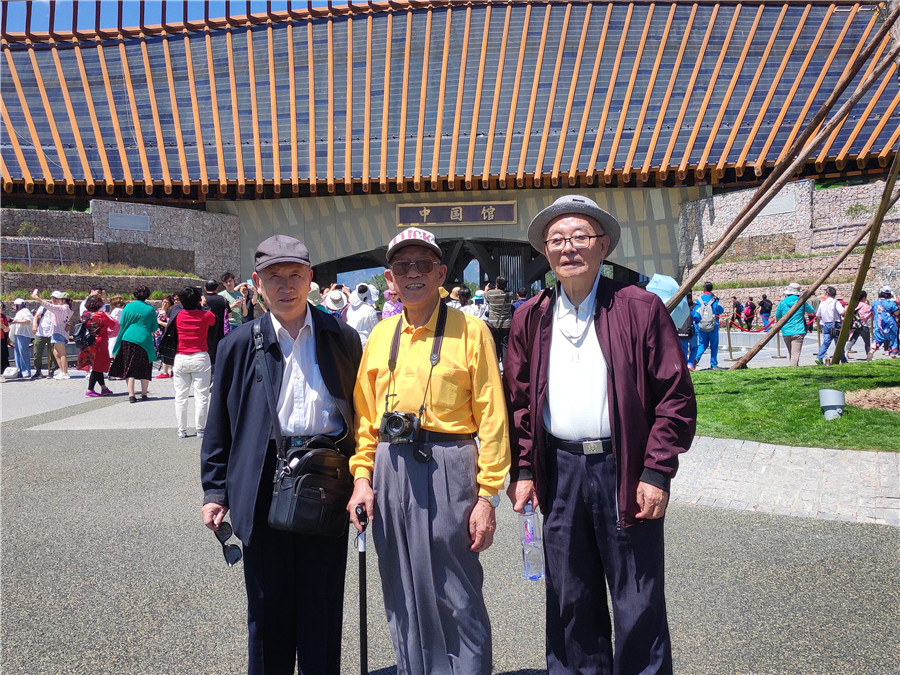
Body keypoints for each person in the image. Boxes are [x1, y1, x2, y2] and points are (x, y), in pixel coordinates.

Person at [503, 195, 696, 675]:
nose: (568, 248)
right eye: (556, 240)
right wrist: (523, 469)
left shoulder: (639, 308)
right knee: (571, 596)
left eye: (580, 237)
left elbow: (674, 397)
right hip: (560, 468)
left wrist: (657, 471)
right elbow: (519, 402)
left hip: (623, 465)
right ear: (545, 251)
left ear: (603, 245)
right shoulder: (531, 316)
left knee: (638, 597)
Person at [347, 226, 510, 675]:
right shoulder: (381, 335)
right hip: (390, 465)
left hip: (449, 462)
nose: (413, 273)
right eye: (403, 266)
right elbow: (366, 417)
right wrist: (362, 478)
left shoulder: (471, 331)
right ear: (389, 278)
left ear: (441, 273)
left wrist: (487, 495)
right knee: (400, 587)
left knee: (456, 589)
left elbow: (493, 416)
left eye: (423, 264)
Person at [201, 235, 362, 675]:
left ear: (310, 279)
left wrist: (363, 480)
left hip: (326, 478)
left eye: (295, 275)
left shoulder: (341, 337)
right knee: (267, 607)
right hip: (260, 480)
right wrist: (215, 491)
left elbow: (361, 412)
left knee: (321, 605)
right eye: (274, 277)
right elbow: (219, 423)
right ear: (257, 283)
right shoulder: (238, 343)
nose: (286, 285)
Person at [158, 286, 216, 438]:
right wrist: (204, 305)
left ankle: (181, 429)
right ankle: (200, 429)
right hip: (200, 356)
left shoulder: (177, 314)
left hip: (181, 357)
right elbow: (213, 320)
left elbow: (169, 313)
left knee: (181, 396)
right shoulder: (206, 315)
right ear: (198, 300)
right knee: (202, 396)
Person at [109, 285, 158, 403]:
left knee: (129, 365)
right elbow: (154, 327)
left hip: (128, 338)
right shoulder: (150, 309)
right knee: (145, 366)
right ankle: (144, 393)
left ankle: (131, 395)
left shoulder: (128, 307)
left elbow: (122, 323)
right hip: (144, 339)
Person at [76, 294, 117, 397]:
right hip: (99, 342)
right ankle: (90, 390)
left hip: (88, 342)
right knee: (97, 366)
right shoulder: (101, 315)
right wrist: (108, 315)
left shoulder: (85, 314)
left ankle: (104, 388)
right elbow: (113, 324)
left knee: (96, 366)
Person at [31, 289, 73, 379]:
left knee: (61, 353)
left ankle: (64, 372)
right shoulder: (67, 309)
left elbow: (48, 305)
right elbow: (67, 320)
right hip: (55, 332)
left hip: (58, 332)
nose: (55, 300)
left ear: (63, 300)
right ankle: (62, 371)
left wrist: (37, 298)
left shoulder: (61, 308)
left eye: (58, 298)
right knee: (56, 353)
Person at [775, 282, 816, 367]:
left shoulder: (782, 303)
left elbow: (778, 315)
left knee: (792, 353)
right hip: (798, 330)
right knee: (795, 354)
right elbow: (811, 310)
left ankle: (794, 369)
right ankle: (792, 369)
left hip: (786, 331)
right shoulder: (801, 302)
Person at [694, 282, 725, 370]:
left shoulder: (699, 300)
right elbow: (720, 310)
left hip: (701, 325)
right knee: (714, 345)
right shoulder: (714, 299)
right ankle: (713, 364)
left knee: (702, 344)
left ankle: (696, 358)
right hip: (713, 325)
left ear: (704, 289)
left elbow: (696, 313)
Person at [483, 276, 514, 360]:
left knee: (494, 346)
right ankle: (505, 365)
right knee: (505, 346)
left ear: (496, 284)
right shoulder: (510, 294)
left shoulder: (491, 293)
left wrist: (486, 289)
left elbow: (484, 295)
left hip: (493, 324)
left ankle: (495, 363)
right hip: (507, 324)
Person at [815, 286, 846, 365]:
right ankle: (843, 359)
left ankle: (819, 357)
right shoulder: (836, 302)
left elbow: (818, 315)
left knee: (826, 342)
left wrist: (824, 319)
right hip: (835, 323)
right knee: (839, 343)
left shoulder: (822, 303)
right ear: (835, 294)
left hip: (826, 324)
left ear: (827, 294)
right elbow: (842, 312)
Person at [203, 280, 229, 375]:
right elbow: (229, 315)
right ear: (217, 289)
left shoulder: (202, 299)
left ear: (205, 289)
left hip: (204, 333)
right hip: (219, 332)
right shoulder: (223, 299)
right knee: (217, 357)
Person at [31, 301, 59, 379]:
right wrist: (34, 324)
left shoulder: (58, 308)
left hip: (52, 332)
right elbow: (36, 316)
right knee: (37, 352)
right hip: (40, 333)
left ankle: (51, 371)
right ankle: (38, 370)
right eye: (53, 298)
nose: (54, 300)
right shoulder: (43, 307)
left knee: (52, 353)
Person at [870, 285, 899, 358]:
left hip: (878, 324)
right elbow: (897, 313)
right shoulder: (891, 303)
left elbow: (872, 312)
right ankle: (893, 353)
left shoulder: (875, 302)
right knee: (893, 339)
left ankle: (872, 350)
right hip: (890, 324)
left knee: (877, 338)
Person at [9, 298, 34, 378]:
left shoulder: (25, 311)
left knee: (23, 353)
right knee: (17, 353)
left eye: (15, 305)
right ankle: (19, 370)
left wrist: (16, 321)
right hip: (18, 334)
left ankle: (26, 371)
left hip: (23, 334)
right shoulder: (20, 312)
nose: (14, 307)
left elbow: (28, 320)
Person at [847, 290, 872, 358]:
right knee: (867, 342)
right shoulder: (865, 306)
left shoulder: (854, 305)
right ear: (864, 298)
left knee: (853, 339)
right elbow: (870, 313)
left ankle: (846, 352)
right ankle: (868, 355)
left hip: (855, 325)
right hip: (863, 325)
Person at [154, 296, 174, 379]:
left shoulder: (169, 313)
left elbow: (169, 324)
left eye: (167, 302)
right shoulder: (157, 311)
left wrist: (160, 322)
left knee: (166, 352)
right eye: (164, 301)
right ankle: (166, 371)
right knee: (160, 352)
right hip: (157, 335)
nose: (165, 304)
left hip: (164, 334)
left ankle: (167, 372)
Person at [678, 292, 698, 371]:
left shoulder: (680, 306)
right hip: (692, 331)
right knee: (694, 348)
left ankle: (685, 364)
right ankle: (690, 364)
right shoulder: (694, 306)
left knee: (683, 349)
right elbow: (697, 317)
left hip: (681, 330)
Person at [107, 295, 126, 359]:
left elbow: (112, 321)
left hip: (114, 333)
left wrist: (107, 315)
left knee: (112, 348)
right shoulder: (123, 310)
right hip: (120, 332)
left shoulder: (116, 310)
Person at [1, 302, 10, 373]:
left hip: (2, 339)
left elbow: (7, 329)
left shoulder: (3, 317)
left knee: (3, 356)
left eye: (1, 306)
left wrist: (3, 327)